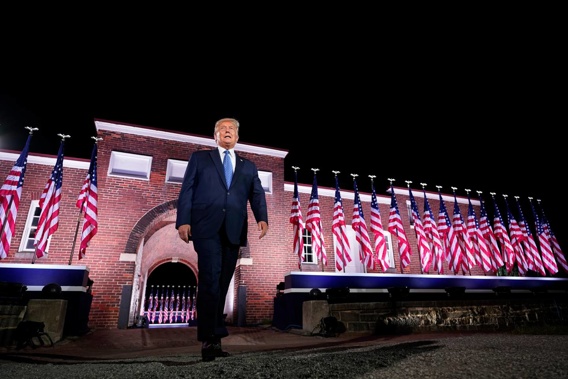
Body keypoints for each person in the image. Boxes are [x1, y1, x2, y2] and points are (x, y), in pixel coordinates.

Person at [176, 117, 269, 361]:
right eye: (222, 129)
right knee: (209, 279)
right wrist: (183, 221)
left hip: (234, 230)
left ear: (237, 137)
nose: (227, 132)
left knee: (222, 283)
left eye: (231, 130)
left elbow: (257, 194)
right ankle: (208, 340)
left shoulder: (248, 166)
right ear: (215, 136)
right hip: (206, 228)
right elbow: (187, 189)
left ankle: (215, 339)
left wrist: (263, 217)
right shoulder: (200, 159)